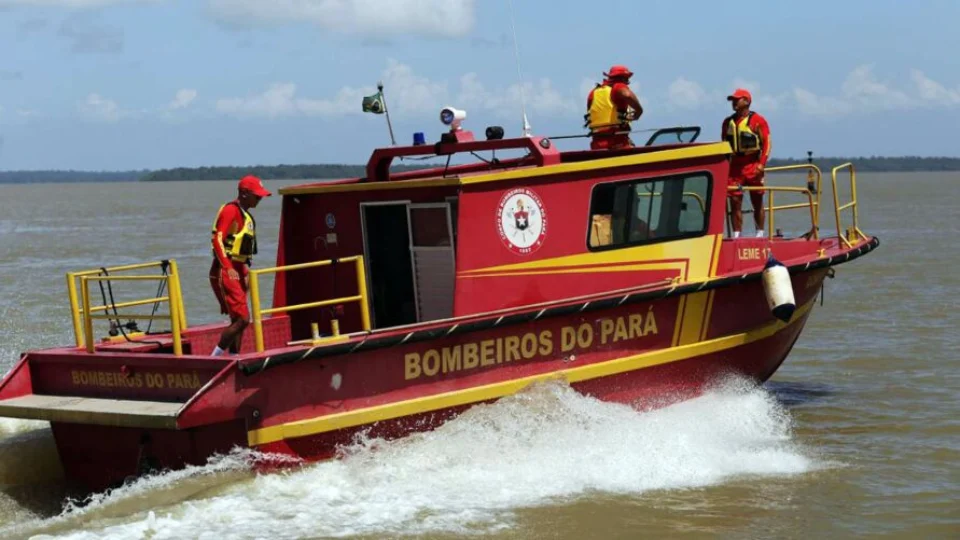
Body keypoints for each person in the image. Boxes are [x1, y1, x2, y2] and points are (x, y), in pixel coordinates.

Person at [209, 175, 271, 356]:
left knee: (238, 319)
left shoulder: (245, 214)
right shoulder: (231, 211)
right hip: (225, 268)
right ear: (244, 194)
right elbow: (217, 239)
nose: (259, 199)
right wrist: (228, 267)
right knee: (244, 319)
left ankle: (234, 356)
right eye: (256, 195)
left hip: (238, 268)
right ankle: (214, 358)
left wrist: (243, 270)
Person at [722, 88, 771, 238]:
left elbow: (767, 143)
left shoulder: (758, 120)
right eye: (732, 100)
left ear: (747, 101)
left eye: (737, 99)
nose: (734, 103)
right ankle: (737, 234)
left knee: (757, 199)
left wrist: (761, 164)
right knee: (735, 200)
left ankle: (760, 233)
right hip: (735, 166)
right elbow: (724, 145)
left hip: (752, 164)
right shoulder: (727, 122)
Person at [586, 65, 644, 150]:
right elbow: (627, 95)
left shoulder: (593, 92)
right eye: (627, 79)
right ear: (622, 78)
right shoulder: (618, 86)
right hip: (617, 141)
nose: (627, 82)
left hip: (597, 143)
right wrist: (639, 111)